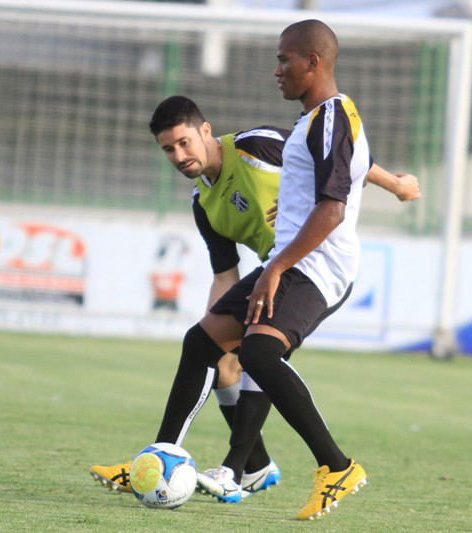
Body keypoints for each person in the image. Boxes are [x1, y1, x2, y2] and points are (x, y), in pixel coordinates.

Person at [91, 90, 419, 510]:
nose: (178, 155)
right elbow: (225, 275)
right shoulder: (203, 203)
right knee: (201, 343)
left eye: (184, 142)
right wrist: (215, 327)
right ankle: (158, 459)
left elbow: (337, 155)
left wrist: (394, 184)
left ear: (205, 131)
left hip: (320, 266)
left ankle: (254, 468)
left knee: (257, 351)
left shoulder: (255, 146)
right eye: (168, 149)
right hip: (276, 272)